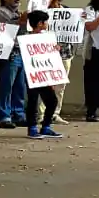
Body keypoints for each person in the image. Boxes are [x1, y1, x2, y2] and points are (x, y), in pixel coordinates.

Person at [24, 10, 65, 139]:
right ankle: (32, 128)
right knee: (33, 101)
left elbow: (51, 57)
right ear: (40, 23)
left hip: (45, 74)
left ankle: (46, 127)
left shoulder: (48, 38)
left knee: (52, 101)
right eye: (45, 21)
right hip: (32, 74)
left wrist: (56, 49)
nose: (47, 24)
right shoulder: (27, 38)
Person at [36, 0, 74, 124]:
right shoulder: (41, 10)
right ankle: (42, 114)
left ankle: (55, 113)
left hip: (64, 52)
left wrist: (80, 19)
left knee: (60, 85)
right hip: (46, 51)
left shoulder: (68, 11)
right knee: (45, 83)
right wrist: (47, 3)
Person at [0, 0, 27, 129]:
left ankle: (18, 114)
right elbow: (10, 28)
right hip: (9, 53)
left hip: (21, 51)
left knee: (20, 86)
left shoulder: (19, 12)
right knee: (7, 86)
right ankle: (4, 115)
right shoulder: (1, 12)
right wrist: (22, 20)